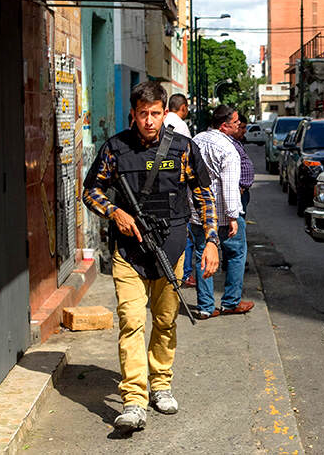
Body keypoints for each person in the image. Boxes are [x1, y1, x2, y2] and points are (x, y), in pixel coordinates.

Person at [82, 81, 220, 434]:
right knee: (131, 321)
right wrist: (114, 212)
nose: (148, 120)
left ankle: (160, 383)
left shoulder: (184, 149)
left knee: (165, 321)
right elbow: (91, 190)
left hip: (171, 249)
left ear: (164, 113)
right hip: (128, 251)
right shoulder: (115, 149)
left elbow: (203, 196)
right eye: (142, 114)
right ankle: (133, 399)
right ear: (133, 113)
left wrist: (212, 240)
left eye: (155, 114)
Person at [192, 105, 255, 318]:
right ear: (224, 125)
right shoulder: (228, 149)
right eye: (236, 123)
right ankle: (230, 302)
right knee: (236, 253)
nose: (239, 126)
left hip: (199, 212)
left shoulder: (196, 140)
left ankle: (205, 307)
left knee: (202, 255)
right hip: (221, 214)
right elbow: (229, 186)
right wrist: (233, 216)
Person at [163, 93, 199, 288]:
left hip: (162, 184)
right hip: (178, 186)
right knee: (184, 232)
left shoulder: (164, 120)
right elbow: (188, 158)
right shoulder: (181, 126)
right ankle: (184, 273)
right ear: (183, 107)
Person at [234, 114, 255, 213]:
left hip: (242, 191)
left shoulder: (238, 142)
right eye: (242, 127)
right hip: (237, 192)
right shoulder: (228, 144)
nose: (245, 131)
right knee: (239, 224)